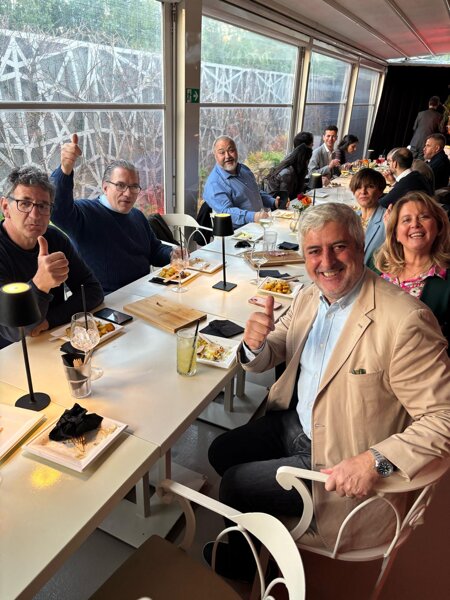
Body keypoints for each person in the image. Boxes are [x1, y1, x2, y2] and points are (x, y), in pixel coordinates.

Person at [205, 202, 450, 579]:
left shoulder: (405, 320)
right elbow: (277, 346)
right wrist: (254, 344)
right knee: (221, 451)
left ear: (359, 246)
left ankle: (244, 567)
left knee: (235, 485)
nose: (327, 262)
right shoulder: (310, 295)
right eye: (314, 251)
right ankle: (263, 524)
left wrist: (374, 461)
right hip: (300, 425)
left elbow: (443, 418)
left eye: (338, 247)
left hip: (340, 456)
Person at [50, 134, 174, 294]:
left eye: (134, 186)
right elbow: (57, 210)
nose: (128, 193)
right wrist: (65, 170)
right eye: (120, 185)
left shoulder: (137, 215)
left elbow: (154, 251)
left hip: (144, 292)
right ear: (105, 187)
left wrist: (172, 254)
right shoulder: (85, 213)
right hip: (105, 300)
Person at [0, 166, 104, 348]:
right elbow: (13, 331)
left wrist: (49, 320)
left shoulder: (55, 239)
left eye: (42, 206)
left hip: (52, 340)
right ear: (5, 207)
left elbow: (92, 290)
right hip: (11, 354)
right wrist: (40, 285)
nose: (35, 215)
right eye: (24, 203)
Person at [375, 192, 450, 347]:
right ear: (395, 233)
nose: (415, 224)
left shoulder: (445, 279)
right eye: (406, 220)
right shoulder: (378, 266)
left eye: (424, 217)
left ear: (439, 227)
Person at [203, 136, 279, 229]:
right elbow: (226, 212)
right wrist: (253, 217)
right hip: (239, 232)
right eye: (222, 153)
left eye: (231, 150)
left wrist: (273, 202)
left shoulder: (244, 169)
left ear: (236, 151)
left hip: (259, 224)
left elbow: (256, 193)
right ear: (215, 156)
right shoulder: (214, 184)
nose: (227, 156)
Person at [349, 168, 386, 264]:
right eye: (358, 187)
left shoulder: (388, 218)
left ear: (380, 191)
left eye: (370, 186)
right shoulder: (351, 218)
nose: (363, 191)